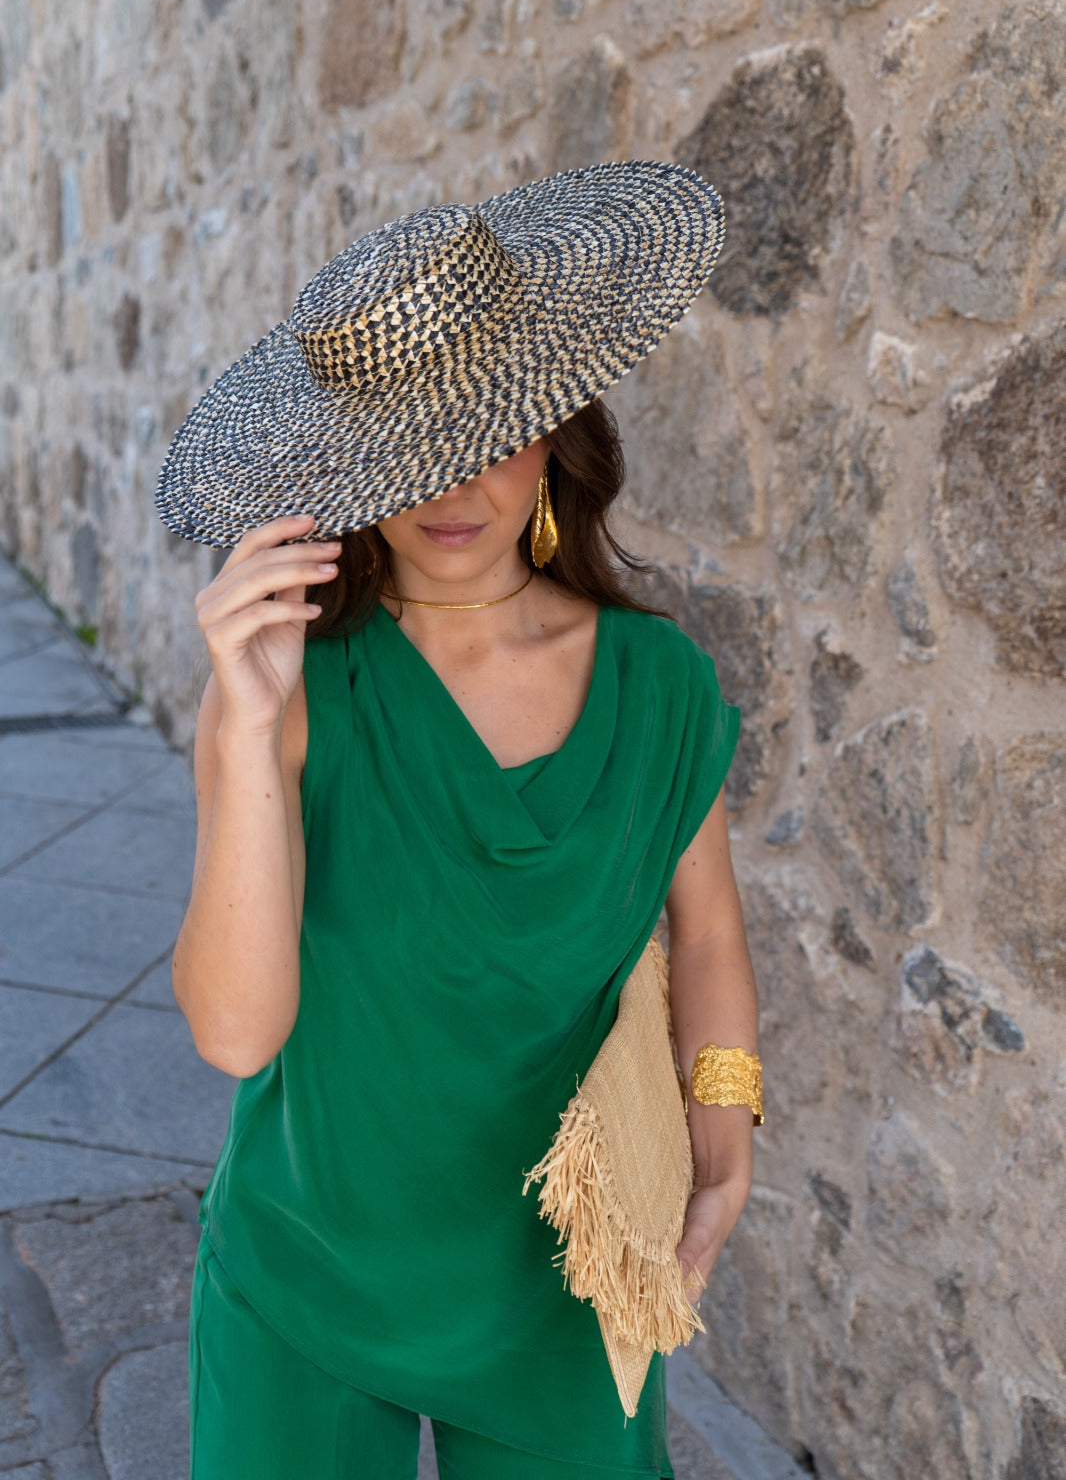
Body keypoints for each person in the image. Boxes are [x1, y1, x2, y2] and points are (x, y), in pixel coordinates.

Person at [159, 162, 761, 1480]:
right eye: (408, 441)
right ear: (347, 464)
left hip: (565, 1276)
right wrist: (246, 731)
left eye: (484, 427)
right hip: (306, 1271)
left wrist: (723, 1121)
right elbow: (235, 1032)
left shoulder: (658, 684)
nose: (451, 485)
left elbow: (707, 933)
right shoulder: (288, 691)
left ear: (552, 428)